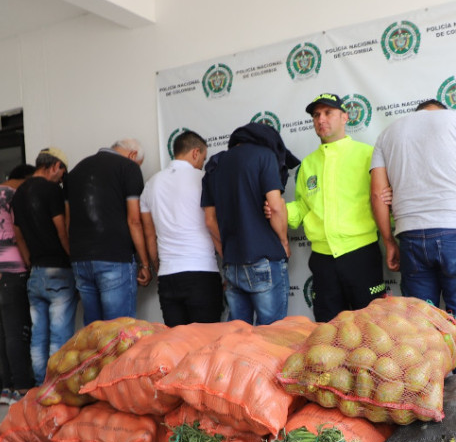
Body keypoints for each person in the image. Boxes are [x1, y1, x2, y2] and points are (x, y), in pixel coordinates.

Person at [370, 100, 456, 373]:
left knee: (420, 321)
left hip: (410, 234)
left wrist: (388, 241)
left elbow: (378, 194)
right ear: (441, 109)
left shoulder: (389, 133)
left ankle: (426, 389)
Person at [279, 93, 384, 322]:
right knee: (327, 331)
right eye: (316, 115)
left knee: (372, 329)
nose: (321, 119)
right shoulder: (308, 163)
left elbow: (383, 200)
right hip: (322, 259)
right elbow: (303, 208)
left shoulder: (368, 154)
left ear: (345, 117)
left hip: (361, 254)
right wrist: (279, 210)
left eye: (328, 113)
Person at [202, 122, 292, 325]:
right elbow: (276, 207)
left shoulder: (215, 165)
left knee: (236, 334)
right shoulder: (264, 155)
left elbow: (209, 221)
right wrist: (284, 242)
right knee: (271, 333)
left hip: (232, 263)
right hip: (264, 258)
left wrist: (227, 253)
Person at [141, 131, 222, 326]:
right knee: (206, 345)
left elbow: (149, 234)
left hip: (168, 276)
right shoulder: (204, 179)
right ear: (195, 153)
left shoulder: (151, 184)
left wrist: (158, 267)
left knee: (176, 347)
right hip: (202, 272)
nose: (202, 163)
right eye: (203, 158)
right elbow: (214, 222)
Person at [66, 139, 151, 325]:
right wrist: (144, 263)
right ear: (133, 155)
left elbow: (68, 221)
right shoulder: (128, 168)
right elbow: (134, 220)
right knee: (119, 331)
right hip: (115, 258)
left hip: (80, 260)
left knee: (94, 334)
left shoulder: (75, 172)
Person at [12, 148, 78, 385]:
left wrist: (31, 261)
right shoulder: (52, 191)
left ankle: (41, 386)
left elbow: (18, 234)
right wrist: (72, 256)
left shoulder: (19, 193)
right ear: (54, 166)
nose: (61, 178)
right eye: (61, 172)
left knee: (38, 334)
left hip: (36, 272)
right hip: (58, 271)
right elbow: (62, 229)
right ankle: (56, 387)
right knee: (59, 334)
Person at [0, 163, 34, 404]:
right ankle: (22, 388)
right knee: (17, 332)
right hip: (12, 268)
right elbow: (19, 231)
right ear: (24, 179)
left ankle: (6, 388)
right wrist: (30, 261)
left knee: (4, 332)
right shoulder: (14, 195)